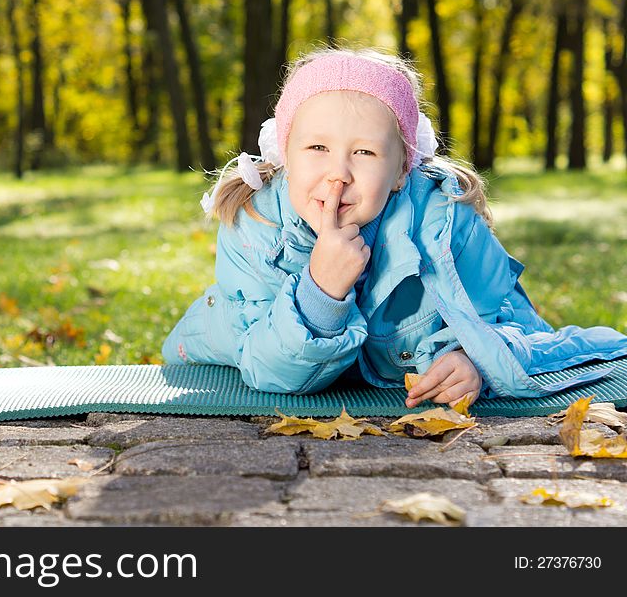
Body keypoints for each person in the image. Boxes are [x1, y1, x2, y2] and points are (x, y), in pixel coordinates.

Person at [162, 45, 627, 408]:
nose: (338, 173)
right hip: (237, 343)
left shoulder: (448, 223)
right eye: (316, 148)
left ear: (403, 168)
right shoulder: (255, 224)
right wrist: (320, 292)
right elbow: (274, 374)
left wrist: (475, 362)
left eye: (364, 153)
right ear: (284, 154)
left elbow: (512, 324)